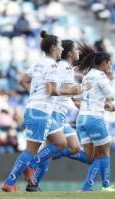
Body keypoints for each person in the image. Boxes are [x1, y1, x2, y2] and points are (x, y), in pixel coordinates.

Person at [1, 30, 88, 192]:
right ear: (54, 47)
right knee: (31, 150)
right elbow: (53, 91)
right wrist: (77, 90)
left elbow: (23, 81)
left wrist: (36, 95)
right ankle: (10, 182)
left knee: (61, 143)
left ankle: (29, 173)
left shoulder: (39, 63)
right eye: (60, 46)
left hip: (39, 109)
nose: (62, 49)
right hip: (40, 111)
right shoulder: (53, 66)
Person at [24, 39, 91, 192]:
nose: (78, 52)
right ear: (69, 53)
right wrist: (81, 88)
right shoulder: (64, 67)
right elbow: (60, 89)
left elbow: (71, 96)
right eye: (76, 50)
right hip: (53, 113)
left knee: (72, 147)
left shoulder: (65, 68)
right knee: (60, 147)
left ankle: (34, 178)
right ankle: (32, 175)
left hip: (59, 114)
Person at [75, 43, 115, 192]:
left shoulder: (87, 76)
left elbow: (86, 97)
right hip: (94, 118)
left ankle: (65, 152)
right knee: (103, 154)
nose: (110, 67)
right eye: (109, 64)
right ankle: (102, 186)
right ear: (103, 63)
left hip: (81, 118)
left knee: (91, 156)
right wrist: (109, 79)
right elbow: (111, 96)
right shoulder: (101, 76)